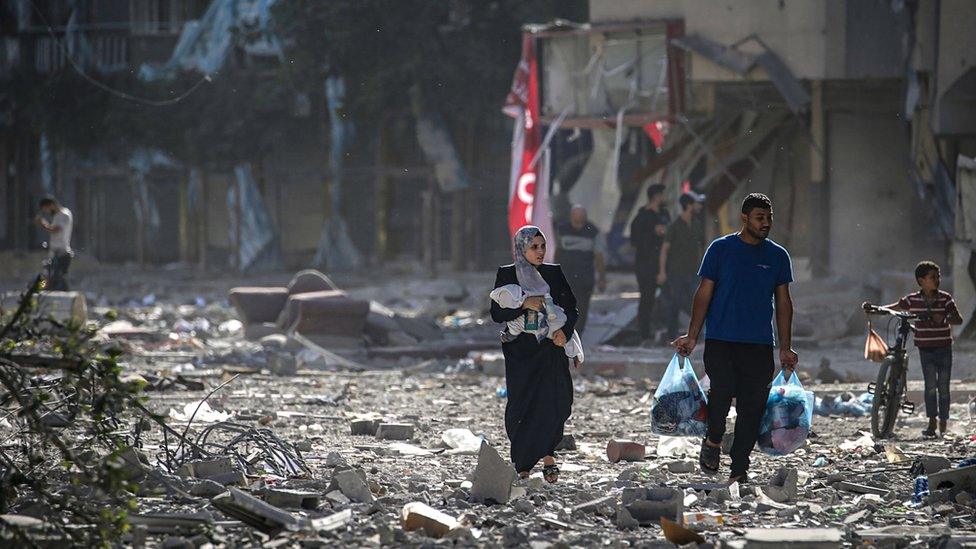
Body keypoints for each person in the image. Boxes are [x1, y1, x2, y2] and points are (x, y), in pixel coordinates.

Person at [671, 193, 798, 483]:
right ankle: (714, 439)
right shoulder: (720, 249)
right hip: (721, 340)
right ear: (745, 219)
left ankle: (739, 467)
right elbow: (704, 293)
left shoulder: (778, 256)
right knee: (722, 392)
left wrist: (786, 347)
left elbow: (784, 304)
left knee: (752, 409)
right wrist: (692, 335)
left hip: (759, 344)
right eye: (759, 218)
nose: (765, 223)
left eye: (769, 218)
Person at [491, 226, 578, 483]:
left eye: (543, 246)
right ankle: (524, 462)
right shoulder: (507, 274)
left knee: (557, 401)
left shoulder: (553, 272)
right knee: (523, 404)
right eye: (534, 247)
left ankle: (549, 451)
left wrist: (565, 330)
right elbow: (497, 314)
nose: (540, 251)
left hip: (551, 348)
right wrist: (523, 305)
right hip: (522, 352)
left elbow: (572, 308)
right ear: (522, 249)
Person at [864, 261, 963, 437]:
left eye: (938, 276)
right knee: (930, 386)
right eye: (933, 277)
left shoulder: (946, 299)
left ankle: (943, 422)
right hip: (925, 348)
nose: (937, 280)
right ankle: (932, 423)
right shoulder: (913, 299)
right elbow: (897, 306)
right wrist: (878, 309)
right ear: (921, 280)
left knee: (943, 386)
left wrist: (945, 319)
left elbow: (958, 319)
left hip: (944, 348)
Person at [658, 192, 706, 340]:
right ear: (689, 205)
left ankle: (696, 335)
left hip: (693, 273)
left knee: (698, 303)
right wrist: (662, 272)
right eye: (696, 203)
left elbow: (700, 248)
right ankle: (671, 336)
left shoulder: (697, 225)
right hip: (676, 273)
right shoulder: (674, 226)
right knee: (674, 305)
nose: (699, 206)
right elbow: (664, 250)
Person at [555, 205, 607, 334]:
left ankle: (577, 334)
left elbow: (599, 256)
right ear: (571, 218)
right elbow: (558, 251)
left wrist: (602, 278)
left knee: (581, 308)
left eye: (581, 221)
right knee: (564, 306)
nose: (578, 225)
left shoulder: (593, 232)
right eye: (575, 221)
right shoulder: (562, 229)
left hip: (585, 276)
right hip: (566, 275)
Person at [630, 184, 671, 342]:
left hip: (665, 262)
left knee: (669, 298)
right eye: (662, 195)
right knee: (647, 298)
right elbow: (635, 241)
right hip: (646, 264)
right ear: (656, 196)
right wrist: (653, 233)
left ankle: (667, 332)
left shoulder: (664, 214)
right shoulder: (642, 217)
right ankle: (644, 334)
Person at [35, 195, 74, 291]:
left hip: (62, 253)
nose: (47, 212)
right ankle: (38, 291)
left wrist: (43, 224)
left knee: (58, 277)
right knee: (46, 274)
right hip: (54, 253)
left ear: (51, 205)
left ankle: (66, 297)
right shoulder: (57, 215)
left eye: (46, 209)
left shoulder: (64, 214)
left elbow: (56, 230)